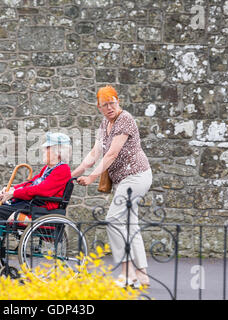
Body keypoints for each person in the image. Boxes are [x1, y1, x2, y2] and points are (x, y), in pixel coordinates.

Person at [0, 132, 72, 279]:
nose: (44, 151)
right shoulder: (47, 169)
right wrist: (11, 189)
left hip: (39, 209)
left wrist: (15, 194)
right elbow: (30, 183)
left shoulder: (63, 170)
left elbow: (41, 189)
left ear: (57, 152)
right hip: (30, 205)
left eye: (47, 148)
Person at [72, 85, 152, 288]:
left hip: (136, 177)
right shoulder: (104, 124)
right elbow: (93, 155)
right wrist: (71, 175)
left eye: (112, 103)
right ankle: (142, 275)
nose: (109, 107)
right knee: (129, 224)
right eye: (104, 105)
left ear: (118, 102)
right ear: (99, 107)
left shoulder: (124, 119)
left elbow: (112, 154)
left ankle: (127, 273)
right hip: (124, 181)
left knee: (113, 218)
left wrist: (91, 178)